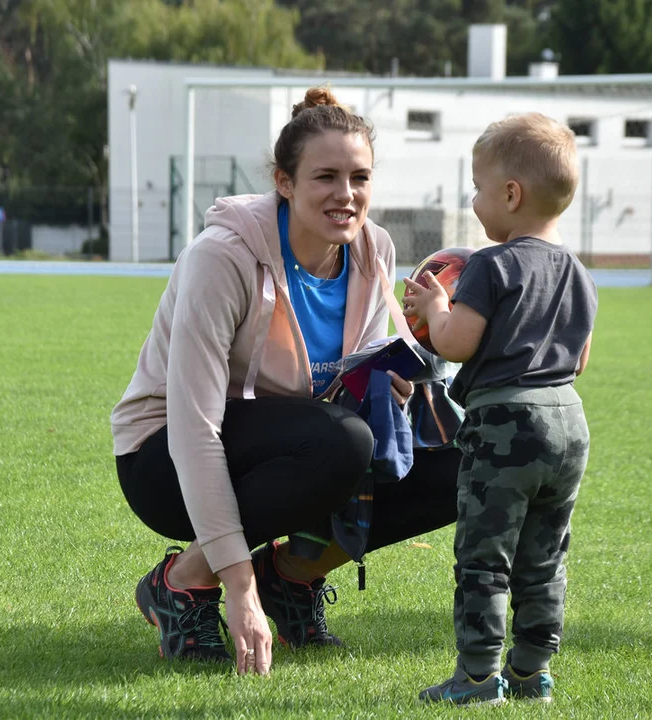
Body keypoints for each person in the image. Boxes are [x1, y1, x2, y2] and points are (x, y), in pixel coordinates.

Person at [111, 87, 460, 676]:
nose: (345, 195)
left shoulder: (373, 249)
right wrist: (237, 584)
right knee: (341, 440)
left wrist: (418, 368)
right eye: (325, 176)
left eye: (359, 177)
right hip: (165, 456)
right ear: (284, 182)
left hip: (301, 442)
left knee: (464, 462)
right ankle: (183, 582)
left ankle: (293, 576)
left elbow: (393, 360)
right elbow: (195, 428)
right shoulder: (221, 258)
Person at [403, 112, 597, 706]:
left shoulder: (492, 264)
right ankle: (532, 672)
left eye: (478, 188)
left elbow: (458, 343)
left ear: (510, 195)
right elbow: (580, 359)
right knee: (544, 556)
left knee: (484, 557)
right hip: (568, 422)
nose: (474, 200)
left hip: (505, 425)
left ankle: (479, 678)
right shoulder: (580, 273)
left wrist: (437, 307)